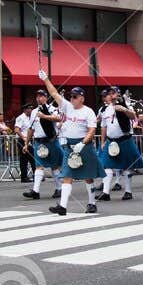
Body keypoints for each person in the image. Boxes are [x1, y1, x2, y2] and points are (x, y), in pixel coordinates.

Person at [41, 73, 101, 214]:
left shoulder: (88, 112)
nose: (72, 99)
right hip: (69, 146)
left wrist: (83, 143)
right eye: (71, 96)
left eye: (75, 96)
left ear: (82, 98)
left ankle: (92, 203)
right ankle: (63, 207)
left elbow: (92, 130)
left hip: (84, 145)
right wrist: (45, 79)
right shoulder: (67, 106)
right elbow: (54, 93)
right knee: (67, 175)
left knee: (88, 176)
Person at [94, 86, 140, 201]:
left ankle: (128, 191)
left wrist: (124, 109)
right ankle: (105, 192)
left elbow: (133, 116)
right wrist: (103, 142)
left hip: (125, 139)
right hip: (111, 141)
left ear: (118, 94)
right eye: (109, 93)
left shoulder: (125, 105)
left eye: (113, 93)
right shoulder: (105, 109)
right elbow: (104, 127)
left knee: (126, 167)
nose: (110, 95)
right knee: (106, 166)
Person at [20, 87, 62, 199]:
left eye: (41, 96)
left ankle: (59, 189)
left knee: (55, 167)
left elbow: (58, 118)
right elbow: (31, 129)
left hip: (51, 141)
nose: (39, 98)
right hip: (39, 142)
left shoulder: (52, 109)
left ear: (46, 97)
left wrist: (44, 116)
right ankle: (35, 191)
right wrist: (26, 143)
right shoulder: (34, 112)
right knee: (39, 166)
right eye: (37, 96)